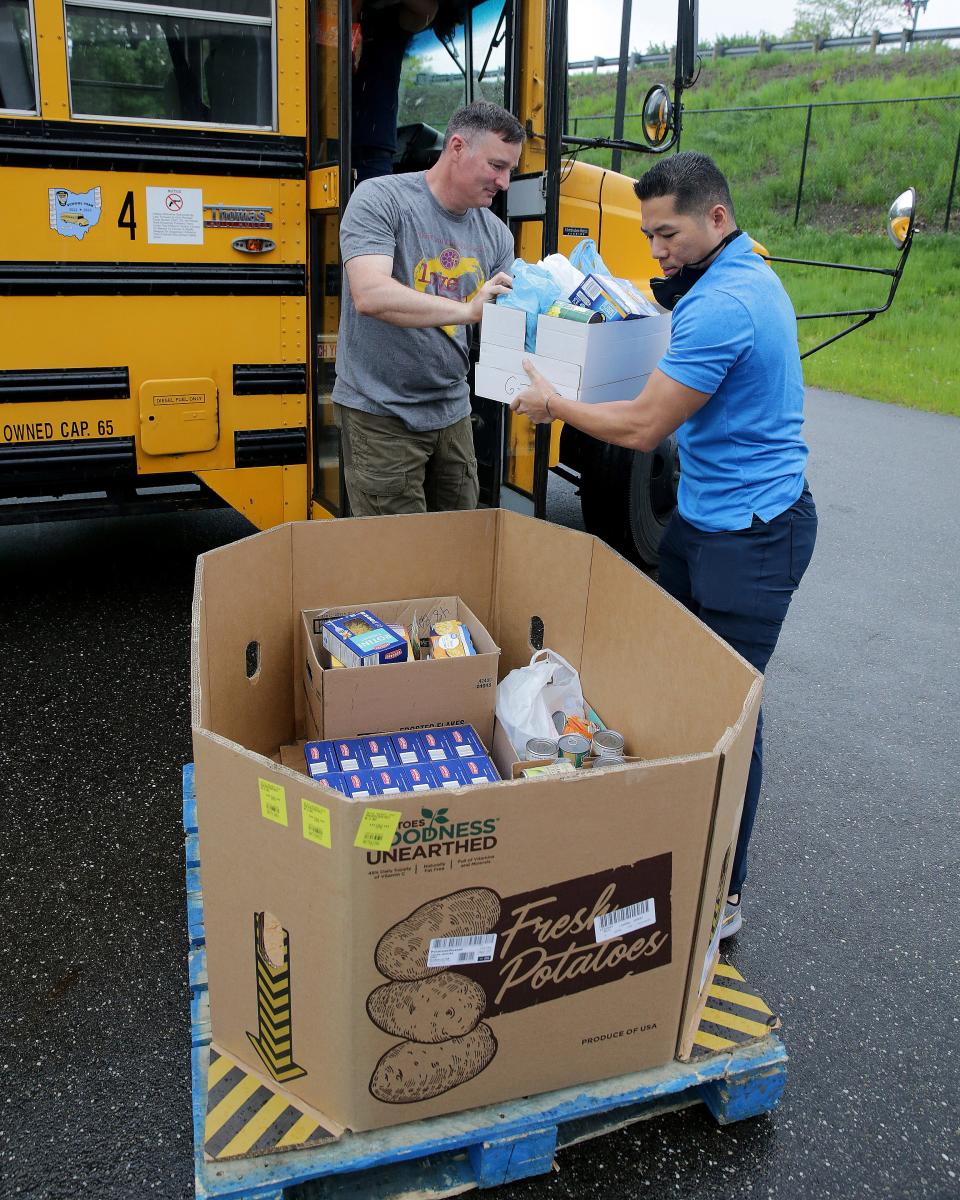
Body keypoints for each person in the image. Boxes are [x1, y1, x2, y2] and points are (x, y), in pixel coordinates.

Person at [511, 151, 818, 940]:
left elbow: (647, 425)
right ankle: (663, 833)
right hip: (704, 518)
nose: (656, 252)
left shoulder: (727, 302)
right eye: (648, 237)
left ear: (717, 216)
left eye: (668, 233)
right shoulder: (726, 276)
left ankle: (724, 894)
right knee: (667, 676)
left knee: (728, 715)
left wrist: (558, 401)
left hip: (752, 537)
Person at [334, 99, 524, 516]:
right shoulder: (380, 199)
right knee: (400, 561)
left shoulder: (496, 234)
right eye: (496, 166)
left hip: (452, 412)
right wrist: (467, 311)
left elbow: (506, 323)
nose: (505, 182)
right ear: (456, 147)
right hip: (382, 413)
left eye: (510, 169)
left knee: (458, 545)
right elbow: (370, 294)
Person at [351, 0, 439, 184]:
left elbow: (428, 10)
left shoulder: (386, 17)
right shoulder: (324, 13)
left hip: (373, 145)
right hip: (325, 138)